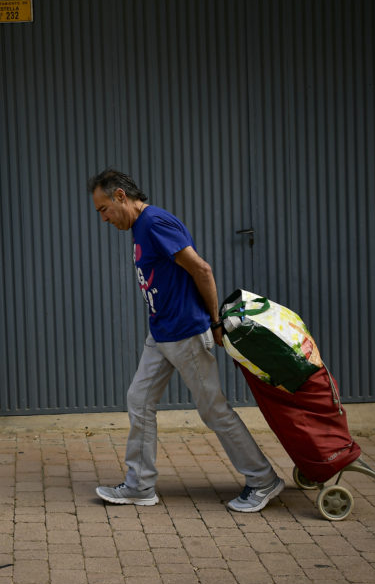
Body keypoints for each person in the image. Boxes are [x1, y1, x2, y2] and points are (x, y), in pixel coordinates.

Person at [88, 168, 284, 512]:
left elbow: (201, 269)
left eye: (103, 209)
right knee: (139, 399)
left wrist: (215, 322)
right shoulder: (141, 227)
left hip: (185, 332)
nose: (103, 218)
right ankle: (139, 486)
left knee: (214, 410)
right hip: (161, 331)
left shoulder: (155, 223)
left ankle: (263, 479)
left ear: (120, 196)